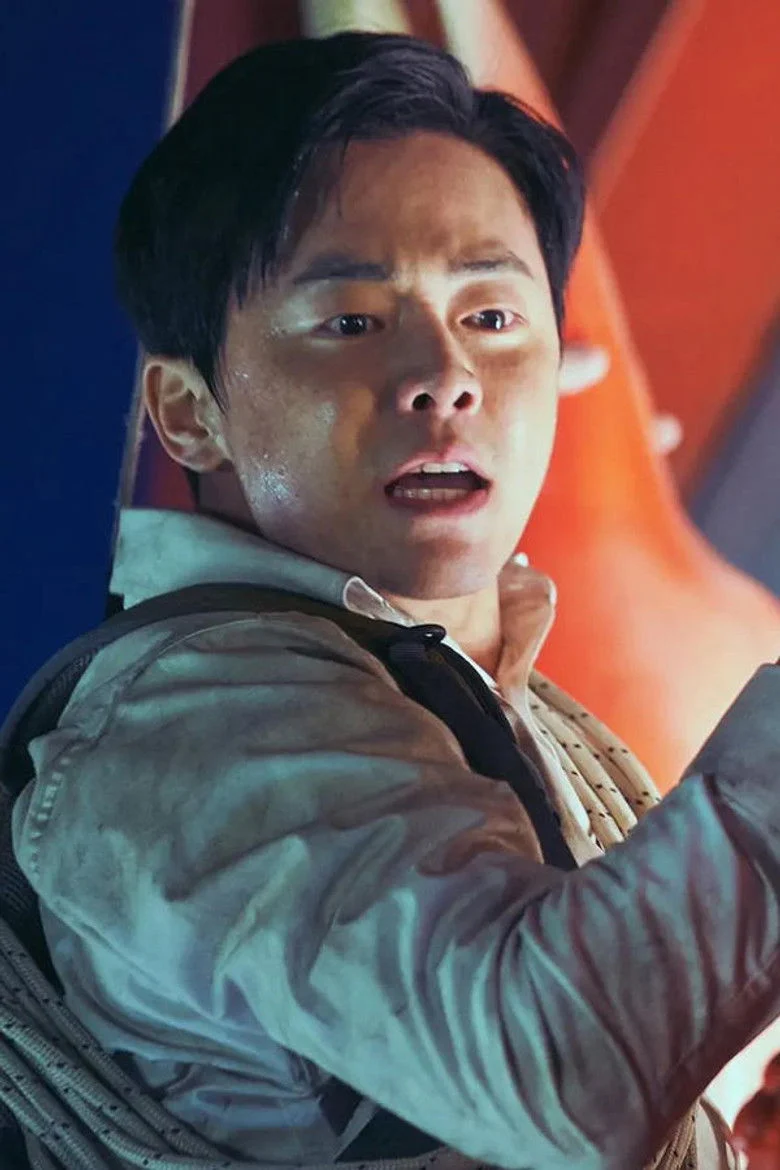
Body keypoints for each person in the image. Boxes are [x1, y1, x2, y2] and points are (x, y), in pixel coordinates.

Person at [11, 31, 780, 1170]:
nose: (444, 378)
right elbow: (554, 1071)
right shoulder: (198, 728)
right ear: (189, 412)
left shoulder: (471, 687)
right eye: (353, 323)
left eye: (492, 317)